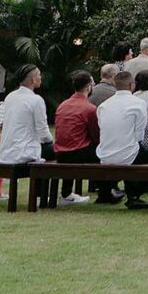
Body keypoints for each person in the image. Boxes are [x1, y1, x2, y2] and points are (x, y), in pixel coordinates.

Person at [97, 70, 148, 210]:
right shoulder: (138, 103)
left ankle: (106, 192)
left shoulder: (104, 105)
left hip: (104, 154)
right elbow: (139, 136)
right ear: (131, 85)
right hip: (128, 153)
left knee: (132, 150)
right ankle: (133, 196)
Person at [53, 71, 101, 205]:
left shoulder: (63, 105)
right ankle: (105, 191)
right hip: (78, 152)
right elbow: (96, 135)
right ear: (88, 87)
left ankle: (66, 193)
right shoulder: (89, 108)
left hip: (60, 152)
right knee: (106, 152)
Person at [0, 65, 51, 165]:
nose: (40, 77)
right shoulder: (36, 100)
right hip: (25, 153)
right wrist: (50, 140)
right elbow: (43, 132)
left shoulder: (10, 97)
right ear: (34, 80)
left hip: (5, 154)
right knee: (53, 149)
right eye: (39, 75)